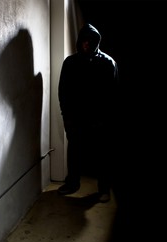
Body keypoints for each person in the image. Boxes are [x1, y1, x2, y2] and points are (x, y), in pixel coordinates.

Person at [57, 23, 118, 202]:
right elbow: (63, 91)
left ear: (96, 42)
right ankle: (72, 183)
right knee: (74, 151)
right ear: (79, 41)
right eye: (83, 41)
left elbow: (114, 94)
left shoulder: (108, 63)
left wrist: (108, 119)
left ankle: (104, 189)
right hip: (76, 118)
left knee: (103, 154)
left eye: (90, 41)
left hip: (100, 119)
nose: (86, 45)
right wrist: (66, 116)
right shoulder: (70, 62)